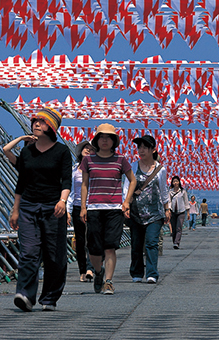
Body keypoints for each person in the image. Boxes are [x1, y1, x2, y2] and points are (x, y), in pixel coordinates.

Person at [7, 108, 72, 312]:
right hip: (28, 207)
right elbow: (21, 183)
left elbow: (67, 180)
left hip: (53, 207)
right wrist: (15, 210)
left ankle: (50, 297)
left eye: (41, 122)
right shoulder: (27, 151)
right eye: (34, 121)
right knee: (28, 252)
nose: (36, 124)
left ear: (51, 127)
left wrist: (63, 201)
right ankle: (25, 295)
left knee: (54, 254)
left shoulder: (62, 151)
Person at [80, 123, 137, 295]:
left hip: (114, 208)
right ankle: (99, 272)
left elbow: (132, 180)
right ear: (97, 140)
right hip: (94, 207)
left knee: (110, 246)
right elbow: (84, 184)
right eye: (101, 137)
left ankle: (109, 282)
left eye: (108, 138)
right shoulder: (88, 160)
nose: (105, 140)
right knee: (94, 248)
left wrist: (126, 201)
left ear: (114, 141)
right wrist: (83, 206)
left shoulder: (121, 160)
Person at [124, 135, 170, 284]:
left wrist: (167, 208)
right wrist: (125, 204)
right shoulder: (133, 166)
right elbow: (127, 187)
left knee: (151, 242)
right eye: (139, 147)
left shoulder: (160, 169)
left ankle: (152, 273)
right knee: (136, 244)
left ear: (153, 150)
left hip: (155, 213)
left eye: (145, 147)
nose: (141, 150)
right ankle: (136, 273)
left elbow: (163, 190)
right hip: (136, 212)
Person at [67, 141, 96, 282]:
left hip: (93, 207)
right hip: (78, 207)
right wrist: (68, 210)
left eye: (91, 149)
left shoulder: (95, 170)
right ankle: (82, 270)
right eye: (86, 148)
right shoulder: (74, 170)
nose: (88, 150)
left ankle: (90, 268)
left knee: (92, 237)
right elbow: (71, 193)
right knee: (80, 240)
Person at [169, 176, 189, 249]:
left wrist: (188, 212)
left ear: (179, 182)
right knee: (174, 228)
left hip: (181, 211)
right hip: (173, 211)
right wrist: (168, 210)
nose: (175, 183)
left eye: (176, 181)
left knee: (179, 228)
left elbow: (186, 202)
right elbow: (169, 201)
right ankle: (174, 241)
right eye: (174, 181)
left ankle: (177, 243)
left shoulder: (183, 191)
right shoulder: (170, 192)